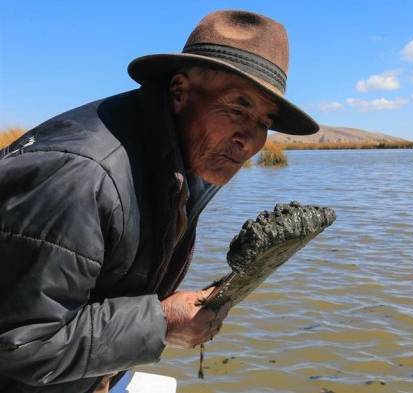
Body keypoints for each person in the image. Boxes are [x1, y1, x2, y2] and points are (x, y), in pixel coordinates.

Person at [0, 10, 319, 393]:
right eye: (237, 108)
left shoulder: (179, 161)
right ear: (179, 92)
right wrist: (160, 322)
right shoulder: (81, 178)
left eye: (264, 122)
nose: (249, 140)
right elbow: (20, 345)